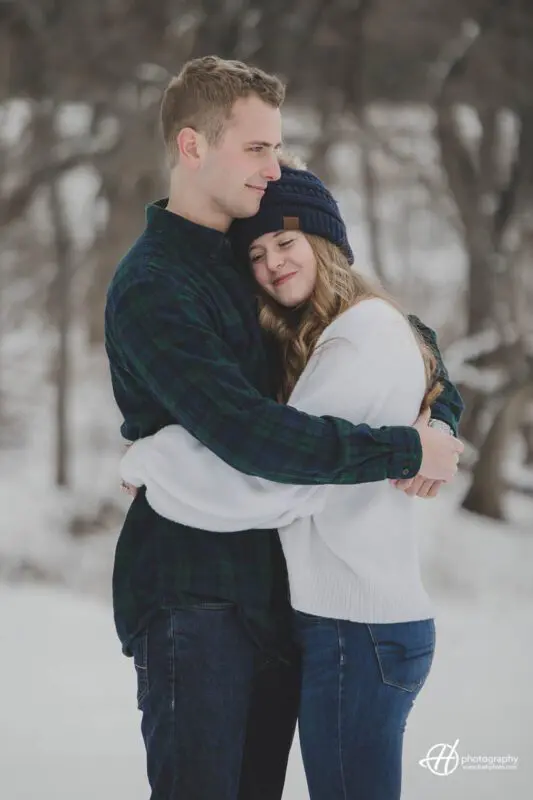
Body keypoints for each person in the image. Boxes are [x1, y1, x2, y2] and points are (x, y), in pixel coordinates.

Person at [105, 56, 464, 800]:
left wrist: (439, 415)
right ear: (193, 147)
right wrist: (402, 447)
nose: (272, 168)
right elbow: (253, 438)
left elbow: (400, 331)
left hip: (276, 597)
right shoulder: (155, 287)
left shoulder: (244, 252)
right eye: (257, 148)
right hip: (193, 600)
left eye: (276, 148)